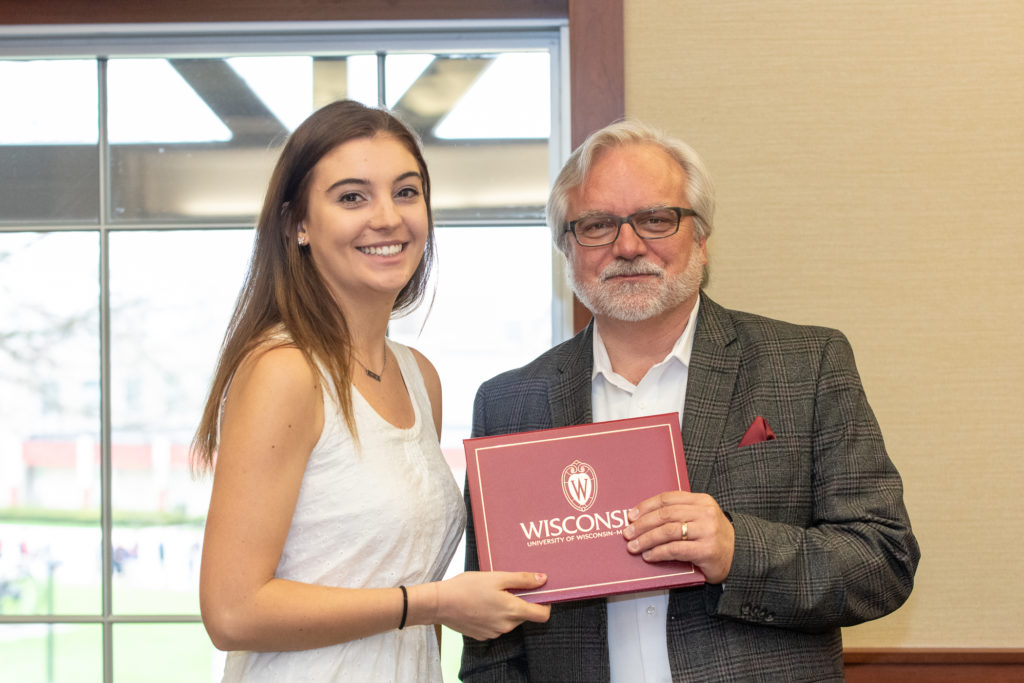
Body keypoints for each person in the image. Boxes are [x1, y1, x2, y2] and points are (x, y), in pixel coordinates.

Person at [460, 119, 920, 682]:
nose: (628, 246)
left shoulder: (807, 363)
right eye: (598, 225)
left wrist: (736, 551)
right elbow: (494, 640)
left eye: (656, 219)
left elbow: (883, 561)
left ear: (700, 238)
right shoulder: (509, 403)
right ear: (566, 248)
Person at [192, 100, 550, 682]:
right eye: (352, 197)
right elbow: (233, 612)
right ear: (297, 225)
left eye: (406, 192)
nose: (387, 218)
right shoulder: (286, 371)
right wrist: (432, 602)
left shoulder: (419, 376)